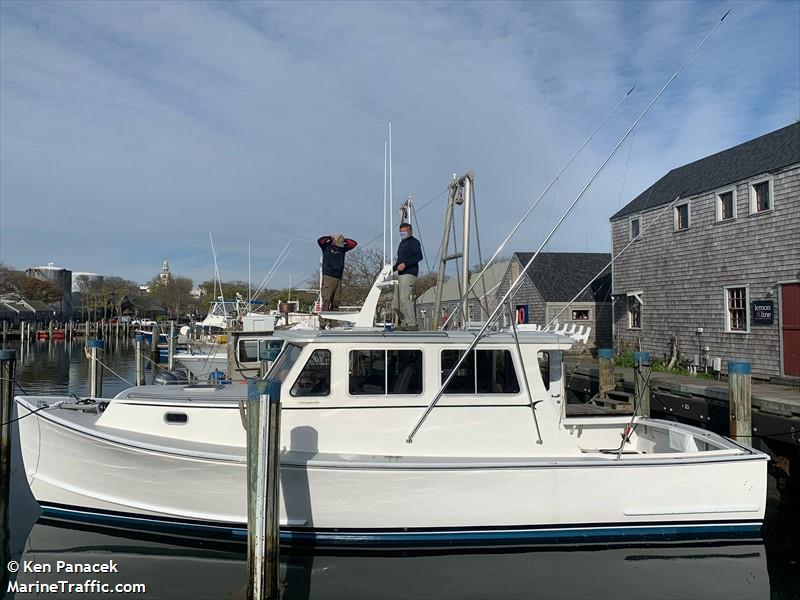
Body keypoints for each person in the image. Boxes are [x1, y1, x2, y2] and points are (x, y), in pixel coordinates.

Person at [318, 234, 357, 326]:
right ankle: (323, 324)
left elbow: (353, 244)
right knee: (326, 300)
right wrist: (330, 238)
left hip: (338, 277)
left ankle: (333, 323)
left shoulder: (342, 249)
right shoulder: (327, 246)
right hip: (328, 276)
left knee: (336, 302)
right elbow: (320, 241)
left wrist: (344, 240)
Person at [393, 223, 423, 330]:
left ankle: (412, 323)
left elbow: (419, 256)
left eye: (404, 231)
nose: (402, 233)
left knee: (404, 298)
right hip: (400, 275)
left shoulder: (414, 242)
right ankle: (405, 323)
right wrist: (391, 269)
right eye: (401, 231)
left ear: (410, 231)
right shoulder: (401, 244)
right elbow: (399, 262)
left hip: (409, 274)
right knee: (396, 303)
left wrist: (405, 264)